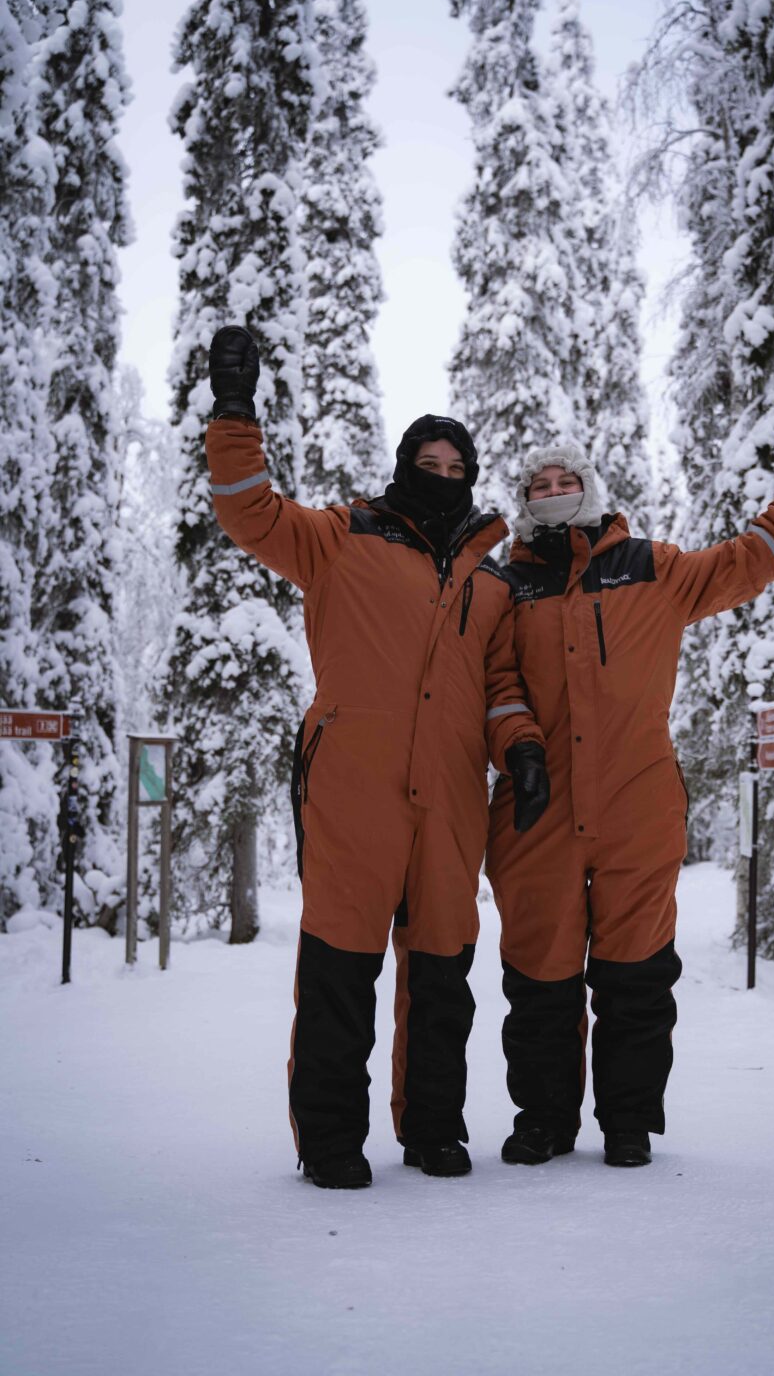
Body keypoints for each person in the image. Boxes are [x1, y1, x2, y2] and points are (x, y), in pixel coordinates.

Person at [204, 325, 549, 1188]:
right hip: (353, 787)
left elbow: (502, 684)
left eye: (455, 467)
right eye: (427, 464)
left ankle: (433, 1130)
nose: (443, 477)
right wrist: (235, 411)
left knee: (441, 972)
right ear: (404, 468)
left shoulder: (493, 579)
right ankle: (328, 1141)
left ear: (471, 476)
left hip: (451, 799)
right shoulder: (338, 538)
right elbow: (248, 508)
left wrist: (523, 748)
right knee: (340, 966)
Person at [485, 428, 774, 1168]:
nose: (553, 490)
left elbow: (749, 562)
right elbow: (496, 684)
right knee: (539, 978)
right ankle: (545, 1120)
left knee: (636, 977)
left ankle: (627, 1121)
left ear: (589, 487)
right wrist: (518, 746)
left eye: (565, 479)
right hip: (537, 811)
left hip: (637, 806)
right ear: (524, 502)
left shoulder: (650, 567)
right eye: (539, 484)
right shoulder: (504, 584)